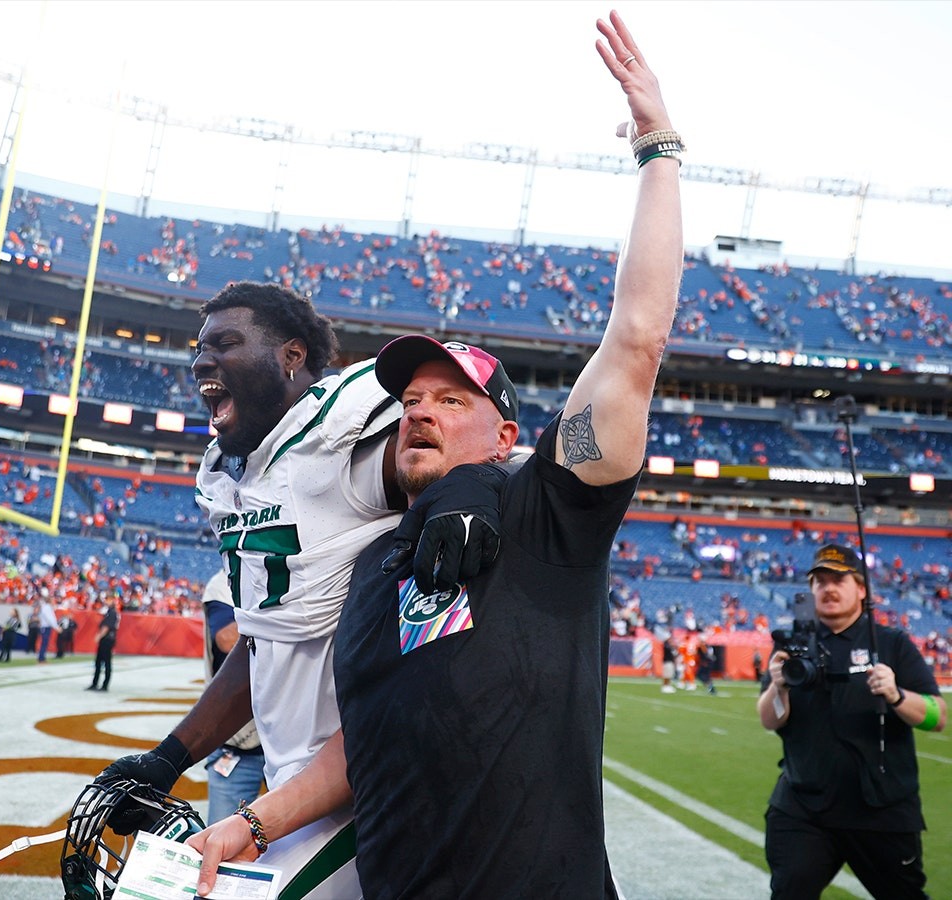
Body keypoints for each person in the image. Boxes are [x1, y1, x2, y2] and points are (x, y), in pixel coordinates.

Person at [186, 12, 682, 897]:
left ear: (503, 435)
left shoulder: (547, 513)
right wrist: (245, 823)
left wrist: (658, 148)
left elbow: (636, 342)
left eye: (453, 400)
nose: (422, 411)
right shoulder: (371, 567)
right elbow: (361, 749)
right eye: (411, 400)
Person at [98, 279, 499, 898]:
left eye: (227, 342)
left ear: (291, 356)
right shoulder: (235, 474)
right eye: (201, 346)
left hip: (367, 782)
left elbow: (460, 446)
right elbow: (264, 642)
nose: (203, 360)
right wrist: (169, 756)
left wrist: (471, 490)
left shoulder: (336, 435)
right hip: (292, 787)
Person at [757, 543, 946, 899]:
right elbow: (770, 720)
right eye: (820, 581)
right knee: (788, 892)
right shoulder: (793, 646)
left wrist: (897, 695)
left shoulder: (892, 643)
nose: (828, 588)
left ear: (861, 589)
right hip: (804, 808)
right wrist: (778, 686)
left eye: (839, 580)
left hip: (881, 809)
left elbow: (937, 717)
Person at [200, 570, 265, 823]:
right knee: (223, 842)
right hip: (238, 742)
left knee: (304, 847)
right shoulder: (223, 583)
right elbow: (226, 639)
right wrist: (280, 619)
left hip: (292, 739)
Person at [86, 595, 119, 692]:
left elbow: (106, 627)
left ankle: (104, 685)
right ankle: (95, 683)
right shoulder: (109, 612)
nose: (106, 602)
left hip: (107, 639)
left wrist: (99, 636)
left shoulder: (112, 613)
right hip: (106, 639)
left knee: (106, 662)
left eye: (109, 600)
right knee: (98, 662)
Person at [35, 591, 57, 662]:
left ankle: (42, 657)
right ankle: (41, 658)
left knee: (45, 643)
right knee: (44, 643)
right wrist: (56, 627)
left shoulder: (48, 607)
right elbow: (50, 618)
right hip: (45, 627)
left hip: (46, 627)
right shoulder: (46, 608)